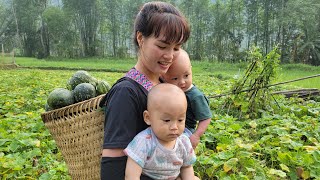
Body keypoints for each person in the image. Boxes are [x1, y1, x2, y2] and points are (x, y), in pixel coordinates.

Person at [99, 1, 190, 179]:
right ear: (141, 39)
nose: (170, 56)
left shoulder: (165, 84)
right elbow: (112, 171)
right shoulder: (126, 93)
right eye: (162, 46)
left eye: (176, 48)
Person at [124, 83, 198, 180]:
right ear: (148, 118)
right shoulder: (143, 142)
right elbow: (131, 176)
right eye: (167, 120)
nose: (174, 127)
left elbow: (187, 167)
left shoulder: (184, 141)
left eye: (180, 120)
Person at [162, 49, 212, 149]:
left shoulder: (195, 96)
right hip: (168, 125)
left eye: (186, 76)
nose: (182, 82)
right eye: (175, 78)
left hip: (186, 130)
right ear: (163, 76)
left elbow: (206, 117)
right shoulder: (166, 88)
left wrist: (196, 135)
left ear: (191, 70)